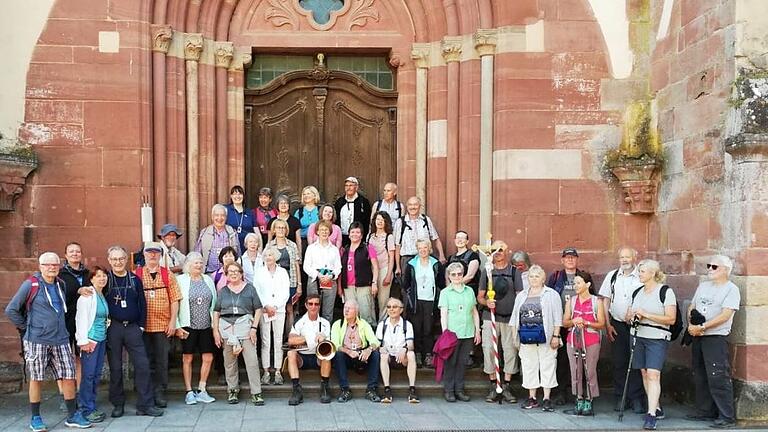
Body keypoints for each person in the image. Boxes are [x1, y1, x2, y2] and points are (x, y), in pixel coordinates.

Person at [5, 252, 92, 430]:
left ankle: (72, 415)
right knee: (36, 378)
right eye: (47, 265)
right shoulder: (31, 284)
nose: (51, 267)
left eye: (54, 264)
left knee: (68, 376)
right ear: (40, 266)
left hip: (61, 339)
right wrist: (27, 327)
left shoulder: (60, 283)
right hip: (38, 340)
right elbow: (11, 309)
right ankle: (35, 418)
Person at [102, 246, 162, 417]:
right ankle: (117, 404)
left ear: (126, 260)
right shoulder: (106, 280)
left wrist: (141, 326)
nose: (118, 262)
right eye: (114, 259)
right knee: (115, 367)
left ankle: (145, 405)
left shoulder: (135, 280)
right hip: (114, 327)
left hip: (133, 328)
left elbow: (143, 305)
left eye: (121, 259)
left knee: (143, 365)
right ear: (109, 261)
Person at [686, 255, 740, 429]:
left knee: (718, 376)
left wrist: (702, 326)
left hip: (715, 337)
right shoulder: (703, 285)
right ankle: (705, 410)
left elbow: (725, 315)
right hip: (698, 336)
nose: (709, 269)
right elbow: (691, 306)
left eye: (714, 266)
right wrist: (691, 323)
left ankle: (726, 415)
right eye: (709, 265)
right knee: (700, 373)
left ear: (725, 269)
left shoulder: (731, 289)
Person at [627, 259, 677, 431]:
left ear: (652, 273)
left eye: (642, 271)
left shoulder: (665, 291)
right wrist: (632, 317)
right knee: (644, 372)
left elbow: (671, 318)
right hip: (638, 335)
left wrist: (646, 315)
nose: (639, 274)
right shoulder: (637, 292)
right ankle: (655, 406)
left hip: (657, 337)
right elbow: (630, 313)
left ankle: (651, 415)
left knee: (654, 374)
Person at [134, 241, 182, 408]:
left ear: (160, 255)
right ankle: (145, 392)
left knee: (162, 361)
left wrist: (172, 322)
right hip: (143, 327)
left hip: (163, 326)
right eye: (149, 252)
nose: (153, 255)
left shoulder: (167, 274)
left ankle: (160, 391)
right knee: (144, 360)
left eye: (156, 252)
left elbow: (175, 300)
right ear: (144, 255)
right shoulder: (137, 274)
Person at [597, 247, 645, 413]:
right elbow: (604, 300)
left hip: (639, 326)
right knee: (619, 361)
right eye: (621, 257)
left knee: (637, 361)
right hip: (617, 325)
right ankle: (620, 397)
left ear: (634, 257)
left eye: (627, 257)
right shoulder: (612, 276)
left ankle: (636, 398)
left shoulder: (642, 274)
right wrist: (607, 325)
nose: (624, 260)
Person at [477, 241, 524, 403]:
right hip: (491, 318)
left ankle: (507, 385)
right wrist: (486, 303)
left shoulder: (514, 272)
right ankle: (493, 384)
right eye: (494, 250)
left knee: (510, 350)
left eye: (501, 250)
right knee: (489, 349)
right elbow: (480, 297)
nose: (497, 253)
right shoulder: (487, 271)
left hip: (509, 318)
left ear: (506, 251)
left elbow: (520, 296)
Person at [213, 262, 265, 406]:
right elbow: (216, 311)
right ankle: (232, 390)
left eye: (236, 271)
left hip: (245, 327)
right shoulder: (223, 291)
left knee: (252, 361)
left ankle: (256, 392)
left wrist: (254, 328)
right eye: (230, 272)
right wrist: (215, 331)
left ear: (241, 273)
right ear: (226, 274)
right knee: (229, 362)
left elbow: (259, 309)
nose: (233, 274)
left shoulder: (250, 289)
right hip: (227, 328)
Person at [511, 265, 563, 412]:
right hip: (526, 337)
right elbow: (515, 317)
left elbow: (557, 317)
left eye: (537, 276)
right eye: (531, 276)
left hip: (546, 337)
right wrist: (515, 337)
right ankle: (532, 397)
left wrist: (556, 336)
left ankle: (546, 398)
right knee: (529, 366)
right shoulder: (521, 295)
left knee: (548, 365)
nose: (534, 279)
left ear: (543, 278)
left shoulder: (551, 294)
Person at [175, 252, 217, 405]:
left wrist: (215, 326)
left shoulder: (208, 279)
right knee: (188, 357)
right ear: (188, 265)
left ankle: (202, 389)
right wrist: (177, 326)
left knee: (208, 357)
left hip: (206, 325)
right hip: (188, 325)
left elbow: (215, 302)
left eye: (200, 263)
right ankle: (189, 391)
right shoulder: (180, 280)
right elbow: (175, 304)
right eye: (195, 263)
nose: (199, 265)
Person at [562, 271, 604, 416]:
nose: (575, 285)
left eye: (578, 283)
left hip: (591, 339)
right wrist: (574, 321)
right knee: (576, 370)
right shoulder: (571, 301)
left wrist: (586, 322)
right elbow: (565, 322)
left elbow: (601, 323)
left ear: (588, 284)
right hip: (573, 339)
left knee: (590, 370)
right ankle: (579, 397)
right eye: (574, 283)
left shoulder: (596, 301)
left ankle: (589, 398)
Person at [438, 262, 481, 402]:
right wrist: (445, 332)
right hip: (452, 333)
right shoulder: (445, 293)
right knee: (451, 362)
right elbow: (443, 314)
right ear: (449, 276)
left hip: (468, 332)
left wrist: (477, 331)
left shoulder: (469, 291)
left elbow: (474, 312)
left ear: (463, 274)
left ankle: (460, 390)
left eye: (459, 274)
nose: (457, 276)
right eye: (453, 274)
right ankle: (449, 390)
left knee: (463, 363)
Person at [546, 246, 582, 405]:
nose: (570, 259)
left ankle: (578, 392)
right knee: (561, 359)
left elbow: (593, 299)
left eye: (573, 257)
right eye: (567, 257)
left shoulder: (583, 276)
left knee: (579, 359)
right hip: (560, 325)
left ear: (577, 259)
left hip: (580, 325)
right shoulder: (556, 277)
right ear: (562, 260)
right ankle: (560, 392)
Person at [75, 265, 110, 423]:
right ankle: (85, 409)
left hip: (101, 340)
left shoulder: (101, 295)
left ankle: (91, 404)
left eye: (104, 276)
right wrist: (83, 342)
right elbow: (80, 319)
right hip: (90, 341)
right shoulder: (87, 296)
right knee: (88, 376)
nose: (102, 278)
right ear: (91, 279)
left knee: (95, 375)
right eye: (98, 276)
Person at [401, 238, 445, 368]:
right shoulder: (411, 264)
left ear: (429, 249)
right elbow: (406, 283)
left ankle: (428, 355)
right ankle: (417, 354)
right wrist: (410, 296)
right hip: (416, 301)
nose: (422, 250)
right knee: (416, 328)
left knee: (428, 328)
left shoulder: (436, 263)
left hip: (430, 300)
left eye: (425, 248)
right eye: (420, 248)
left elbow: (441, 283)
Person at [330, 299, 382, 402]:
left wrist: (368, 350)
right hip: (347, 355)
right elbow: (335, 344)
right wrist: (348, 351)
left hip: (361, 355)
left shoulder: (364, 324)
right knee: (338, 354)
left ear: (356, 311)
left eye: (349, 308)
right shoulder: (337, 324)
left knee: (375, 354)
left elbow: (375, 341)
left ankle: (371, 389)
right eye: (345, 308)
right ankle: (345, 390)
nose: (346, 310)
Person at [286, 294, 333, 405]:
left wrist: (323, 339)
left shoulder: (325, 323)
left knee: (328, 354)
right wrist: (308, 338)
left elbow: (330, 345)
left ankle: (325, 387)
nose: (313, 307)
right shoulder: (299, 321)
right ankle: (296, 389)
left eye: (316, 304)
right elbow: (291, 340)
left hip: (318, 357)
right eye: (310, 304)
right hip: (302, 357)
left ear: (319, 306)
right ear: (306, 305)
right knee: (290, 353)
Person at [254, 247, 291, 386]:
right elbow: (257, 290)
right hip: (264, 310)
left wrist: (275, 306)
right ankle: (265, 371)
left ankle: (277, 371)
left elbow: (285, 291)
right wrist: (266, 306)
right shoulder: (259, 272)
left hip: (279, 310)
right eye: (266, 255)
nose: (268, 257)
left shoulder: (282, 272)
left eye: (271, 255)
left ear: (276, 257)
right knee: (265, 340)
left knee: (278, 340)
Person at [59, 241, 90, 393]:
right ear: (65, 255)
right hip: (65, 320)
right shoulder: (60, 275)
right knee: (63, 358)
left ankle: (79, 390)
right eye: (71, 251)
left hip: (82, 320)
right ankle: (64, 393)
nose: (74, 254)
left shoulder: (87, 274)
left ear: (81, 254)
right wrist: (77, 291)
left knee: (79, 357)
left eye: (77, 251)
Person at [376, 297, 419, 403]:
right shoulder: (382, 325)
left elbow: (411, 344)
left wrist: (404, 349)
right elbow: (376, 344)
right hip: (389, 357)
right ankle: (387, 389)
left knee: (411, 354)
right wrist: (381, 348)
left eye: (395, 307)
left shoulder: (407, 325)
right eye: (389, 307)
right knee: (383, 355)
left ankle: (412, 389)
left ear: (401, 309)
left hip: (402, 358)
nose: (391, 309)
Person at [394, 196, 446, 280]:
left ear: (420, 206)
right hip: (407, 259)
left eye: (415, 204)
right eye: (410, 205)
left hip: (426, 258)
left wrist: (442, 255)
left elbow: (436, 239)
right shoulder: (400, 222)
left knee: (427, 283)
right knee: (407, 288)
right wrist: (397, 267)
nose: (412, 207)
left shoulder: (426, 220)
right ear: (407, 206)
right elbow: (397, 246)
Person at [339, 222, 379, 325]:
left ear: (361, 235)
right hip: (348, 287)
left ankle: (369, 338)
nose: (355, 234)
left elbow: (375, 266)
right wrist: (340, 287)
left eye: (358, 232)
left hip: (364, 285)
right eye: (352, 232)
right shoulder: (345, 250)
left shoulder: (368, 247)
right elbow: (341, 269)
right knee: (351, 314)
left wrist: (374, 283)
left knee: (366, 314)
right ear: (348, 234)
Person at [267, 219, 302, 332]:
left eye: (283, 228)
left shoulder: (292, 245)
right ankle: (277, 337)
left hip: (290, 281)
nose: (281, 230)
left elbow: (296, 265)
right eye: (278, 227)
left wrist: (299, 284)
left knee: (289, 308)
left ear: (286, 230)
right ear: (274, 230)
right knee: (276, 309)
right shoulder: (269, 246)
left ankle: (289, 336)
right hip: (274, 283)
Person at [303, 220, 342, 322]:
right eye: (322, 230)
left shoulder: (334, 249)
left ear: (330, 232)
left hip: (330, 281)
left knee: (328, 313)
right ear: (317, 232)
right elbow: (306, 266)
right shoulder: (311, 248)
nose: (324, 232)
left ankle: (325, 335)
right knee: (313, 311)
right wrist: (318, 275)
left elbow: (338, 267)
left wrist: (331, 276)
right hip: (314, 282)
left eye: (326, 230)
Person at [194, 204, 240, 275]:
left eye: (222, 215)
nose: (219, 218)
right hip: (209, 273)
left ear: (226, 217)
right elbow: (197, 254)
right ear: (212, 217)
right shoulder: (204, 232)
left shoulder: (232, 232)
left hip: (228, 273)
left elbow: (238, 254)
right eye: (217, 215)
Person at [368, 211, 395, 320]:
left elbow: (391, 257)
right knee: (370, 298)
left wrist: (389, 274)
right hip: (371, 270)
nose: (379, 222)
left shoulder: (389, 237)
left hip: (384, 269)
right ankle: (372, 323)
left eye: (382, 220)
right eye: (377, 219)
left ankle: (382, 324)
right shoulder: (370, 236)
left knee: (383, 300)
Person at [334, 176, 372, 244]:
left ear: (356, 187)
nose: (348, 188)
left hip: (357, 238)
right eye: (346, 186)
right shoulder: (339, 202)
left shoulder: (363, 202)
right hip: (342, 237)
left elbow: (367, 221)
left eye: (351, 185)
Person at [225, 185, 258, 251]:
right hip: (230, 247)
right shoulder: (225, 210)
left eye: (240, 194)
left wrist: (260, 250)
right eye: (235, 194)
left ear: (243, 196)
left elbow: (257, 232)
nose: (237, 196)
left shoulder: (250, 212)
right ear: (231, 196)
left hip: (248, 249)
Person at [295, 185, 321, 253]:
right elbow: (295, 228)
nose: (306, 196)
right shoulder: (299, 212)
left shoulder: (320, 210)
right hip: (302, 242)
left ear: (314, 195)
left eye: (308, 193)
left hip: (318, 242)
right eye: (304, 194)